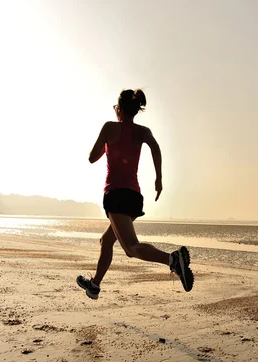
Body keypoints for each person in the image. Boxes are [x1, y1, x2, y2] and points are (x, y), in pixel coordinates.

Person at [76, 89, 193, 300]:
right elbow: (155, 147)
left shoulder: (109, 127)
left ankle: (173, 260)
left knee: (131, 247)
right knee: (106, 240)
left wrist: (107, 144)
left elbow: (92, 158)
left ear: (119, 109)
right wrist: (158, 179)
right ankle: (94, 285)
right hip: (133, 197)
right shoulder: (142, 131)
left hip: (115, 195)